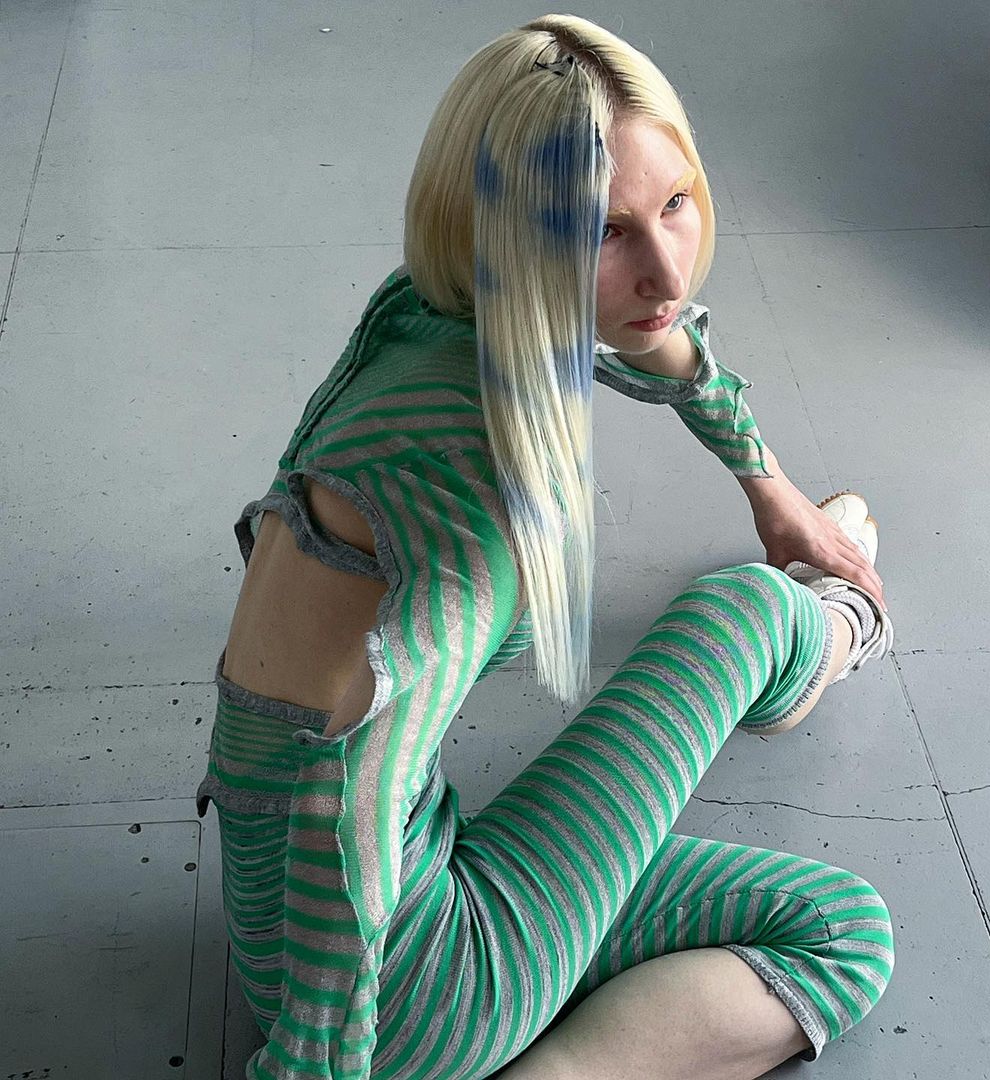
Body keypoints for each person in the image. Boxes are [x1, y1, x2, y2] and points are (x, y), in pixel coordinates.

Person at [194, 14, 895, 1080]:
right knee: (837, 906)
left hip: (290, 925)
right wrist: (317, 1061)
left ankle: (808, 640)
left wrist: (770, 488)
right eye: (606, 233)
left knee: (816, 866)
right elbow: (355, 789)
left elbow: (660, 339)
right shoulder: (472, 487)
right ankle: (833, 635)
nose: (666, 271)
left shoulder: (431, 313)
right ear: (520, 237)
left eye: (674, 204)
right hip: (402, 992)